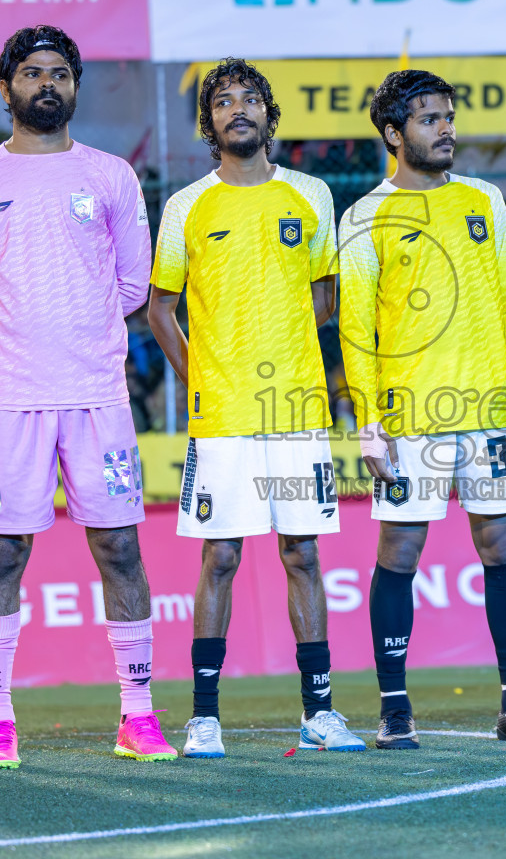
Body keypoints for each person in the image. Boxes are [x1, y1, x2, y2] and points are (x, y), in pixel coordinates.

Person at [0, 27, 167, 769]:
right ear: (5, 87)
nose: (47, 85)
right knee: (2, 556)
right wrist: (8, 354)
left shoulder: (110, 177)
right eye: (32, 73)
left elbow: (134, 283)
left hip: (96, 394)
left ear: (75, 87)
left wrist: (76, 331)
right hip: (11, 398)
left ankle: (138, 715)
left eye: (60, 74)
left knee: (121, 550)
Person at [147, 58, 362, 759]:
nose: (237, 109)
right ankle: (203, 717)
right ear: (208, 124)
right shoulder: (187, 205)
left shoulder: (311, 195)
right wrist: (202, 378)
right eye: (223, 102)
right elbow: (161, 310)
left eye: (250, 100)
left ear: (271, 117)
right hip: (226, 419)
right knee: (223, 556)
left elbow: (325, 295)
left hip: (297, 414)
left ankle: (320, 713)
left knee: (303, 552)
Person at [339, 69, 506, 749]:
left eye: (449, 116)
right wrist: (368, 424)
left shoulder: (484, 199)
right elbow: (356, 328)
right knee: (399, 551)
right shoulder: (365, 216)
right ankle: (394, 707)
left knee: (502, 545)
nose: (446, 128)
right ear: (393, 134)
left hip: (491, 411)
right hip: (409, 419)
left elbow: (505, 297)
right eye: (430, 118)